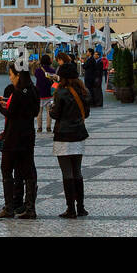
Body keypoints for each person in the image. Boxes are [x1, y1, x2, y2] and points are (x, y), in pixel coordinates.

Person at [0, 57, 40, 219]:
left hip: (13, 138)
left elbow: (11, 114)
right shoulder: (33, 90)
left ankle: (9, 207)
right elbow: (33, 112)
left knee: (6, 170)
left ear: (18, 75)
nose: (10, 77)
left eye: (11, 74)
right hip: (28, 137)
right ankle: (30, 208)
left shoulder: (18, 93)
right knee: (28, 171)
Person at [49, 61, 90, 218]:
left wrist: (51, 109)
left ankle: (70, 209)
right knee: (77, 171)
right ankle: (81, 207)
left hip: (64, 135)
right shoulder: (83, 91)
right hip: (79, 134)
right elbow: (86, 114)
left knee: (67, 173)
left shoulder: (61, 92)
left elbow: (55, 114)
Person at [34, 54, 56, 132]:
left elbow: (36, 76)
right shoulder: (52, 70)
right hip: (49, 93)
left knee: (39, 112)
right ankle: (48, 127)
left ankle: (39, 128)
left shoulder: (37, 71)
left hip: (39, 93)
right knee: (48, 111)